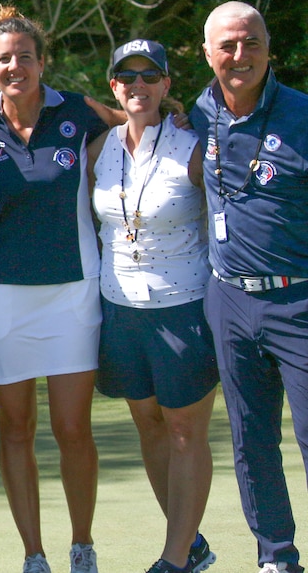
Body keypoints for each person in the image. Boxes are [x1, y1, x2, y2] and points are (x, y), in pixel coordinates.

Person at [0, 5, 105, 573]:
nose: (15, 65)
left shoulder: (77, 110)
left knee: (73, 428)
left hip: (74, 291)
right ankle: (34, 554)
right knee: (16, 428)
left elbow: (132, 118)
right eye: (4, 59)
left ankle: (82, 545)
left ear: (42, 61)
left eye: (25, 56)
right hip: (4, 295)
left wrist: (174, 114)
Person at [88, 39, 218, 573]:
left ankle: (174, 557)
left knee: (185, 431)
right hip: (118, 307)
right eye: (127, 77)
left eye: (149, 77)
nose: (138, 85)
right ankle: (191, 544)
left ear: (167, 85)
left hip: (181, 307)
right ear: (114, 85)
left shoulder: (192, 147)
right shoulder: (99, 148)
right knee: (149, 425)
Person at [189, 1, 308, 573]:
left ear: (268, 47)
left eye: (251, 42)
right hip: (230, 298)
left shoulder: (302, 116)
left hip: (300, 298)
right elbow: (127, 116)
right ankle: (277, 557)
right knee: (251, 440)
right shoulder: (197, 112)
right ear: (207, 53)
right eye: (228, 46)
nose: (240, 56)